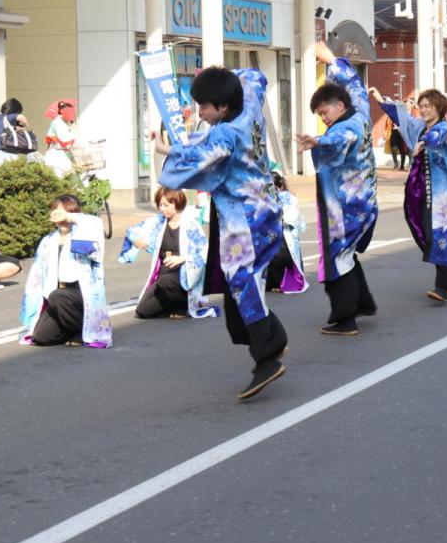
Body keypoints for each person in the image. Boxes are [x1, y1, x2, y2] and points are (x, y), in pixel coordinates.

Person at [160, 66, 289, 399]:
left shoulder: (224, 134)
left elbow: (193, 161)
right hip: (267, 211)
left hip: (243, 220)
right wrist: (221, 76)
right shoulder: (249, 104)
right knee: (244, 284)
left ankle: (268, 357)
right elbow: (256, 77)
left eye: (204, 106)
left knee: (242, 282)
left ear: (224, 107)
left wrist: (167, 150)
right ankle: (272, 339)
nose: (200, 112)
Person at [296, 41, 379, 336]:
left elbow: (340, 139)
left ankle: (346, 318)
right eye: (320, 115)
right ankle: (363, 303)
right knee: (346, 255)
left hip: (348, 208)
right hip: (363, 202)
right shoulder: (360, 112)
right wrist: (332, 60)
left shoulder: (347, 127)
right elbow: (355, 85)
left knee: (337, 258)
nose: (324, 117)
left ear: (340, 105)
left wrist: (319, 141)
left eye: (325, 111)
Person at [378, 88, 447, 302]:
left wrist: (424, 142)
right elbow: (404, 118)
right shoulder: (420, 127)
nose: (423, 110)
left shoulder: (445, 128)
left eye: (428, 106)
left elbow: (438, 137)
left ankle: (442, 286)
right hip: (419, 188)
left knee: (439, 232)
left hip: (440, 191)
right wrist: (383, 101)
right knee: (421, 228)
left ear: (439, 108)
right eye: (421, 106)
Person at [21, 195, 111, 348]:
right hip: (55, 295)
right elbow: (37, 274)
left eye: (67, 212)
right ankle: (70, 330)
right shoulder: (48, 240)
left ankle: (84, 331)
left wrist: (68, 217)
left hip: (80, 293)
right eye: (57, 212)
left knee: (58, 296)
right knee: (41, 336)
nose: (61, 217)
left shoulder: (84, 235)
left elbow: (94, 223)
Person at [121, 186, 215, 320]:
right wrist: (136, 240)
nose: (162, 209)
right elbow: (132, 231)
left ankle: (183, 306)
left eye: (165, 205)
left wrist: (183, 258)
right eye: (160, 205)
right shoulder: (158, 221)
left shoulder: (191, 224)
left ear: (176, 202)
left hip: (184, 275)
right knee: (143, 310)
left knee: (166, 281)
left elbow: (205, 252)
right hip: (163, 274)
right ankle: (173, 305)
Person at [266, 170, 309, 294]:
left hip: (281, 244)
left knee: (270, 253)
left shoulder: (271, 200)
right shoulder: (292, 198)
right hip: (290, 245)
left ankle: (277, 282)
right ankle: (280, 282)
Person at [0, 98, 32, 165]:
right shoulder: (9, 117)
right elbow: (21, 117)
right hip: (7, 155)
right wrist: (26, 126)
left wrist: (15, 127)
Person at [43, 99, 77, 176]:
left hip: (61, 153)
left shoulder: (63, 123)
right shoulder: (58, 122)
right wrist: (73, 131)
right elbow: (64, 139)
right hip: (57, 154)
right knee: (63, 175)